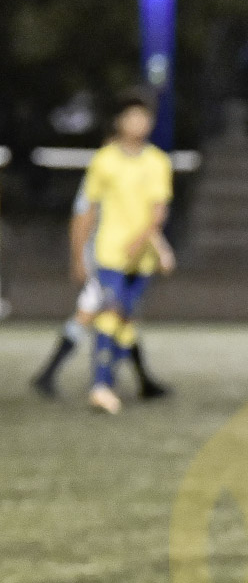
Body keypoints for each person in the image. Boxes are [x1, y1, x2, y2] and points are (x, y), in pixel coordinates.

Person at [71, 93, 175, 414]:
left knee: (125, 320)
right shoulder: (104, 160)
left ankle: (125, 381)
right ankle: (101, 386)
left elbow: (158, 213)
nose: (138, 123)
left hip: (141, 258)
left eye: (143, 118)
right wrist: (78, 254)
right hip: (110, 253)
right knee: (110, 312)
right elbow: (87, 210)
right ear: (119, 122)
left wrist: (150, 244)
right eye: (131, 117)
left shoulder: (158, 162)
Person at [29, 187, 110, 398]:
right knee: (93, 312)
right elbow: (81, 220)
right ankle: (49, 374)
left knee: (120, 314)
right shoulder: (97, 180)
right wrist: (78, 259)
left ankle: (48, 374)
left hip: (113, 260)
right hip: (102, 261)